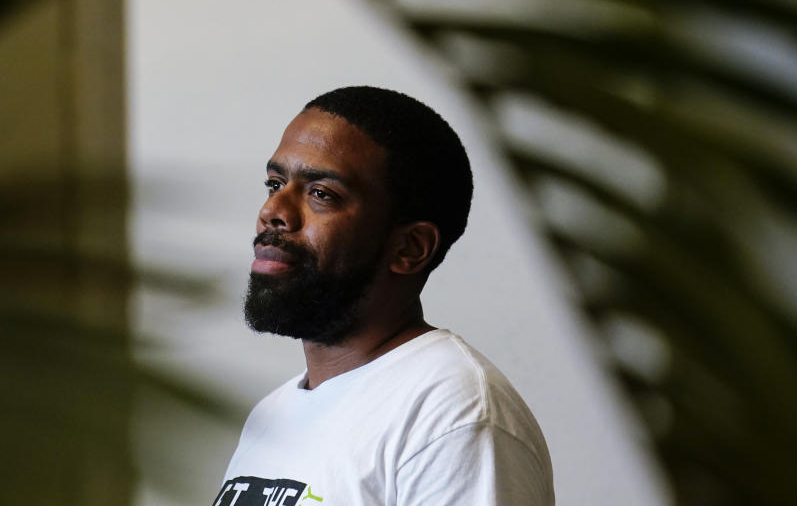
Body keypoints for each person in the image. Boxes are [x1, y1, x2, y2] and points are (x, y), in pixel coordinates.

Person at [213, 86, 553, 506]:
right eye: (275, 183)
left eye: (322, 194)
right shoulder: (271, 415)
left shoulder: (453, 414)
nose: (274, 211)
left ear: (409, 249)